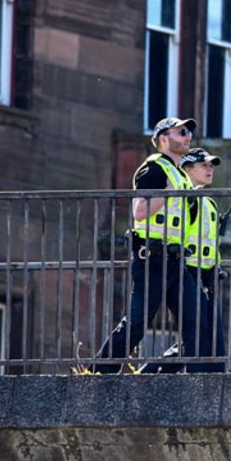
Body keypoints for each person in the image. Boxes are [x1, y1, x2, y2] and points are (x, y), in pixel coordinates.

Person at [92, 116, 202, 372]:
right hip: (152, 258)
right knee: (138, 322)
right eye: (182, 132)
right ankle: (98, 372)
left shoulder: (181, 176)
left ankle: (154, 372)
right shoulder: (154, 168)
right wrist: (165, 195)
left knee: (197, 324)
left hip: (176, 261)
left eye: (189, 133)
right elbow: (139, 211)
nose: (188, 137)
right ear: (164, 139)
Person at [180, 147, 227, 370]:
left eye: (211, 166)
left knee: (213, 336)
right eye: (204, 165)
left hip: (206, 274)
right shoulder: (184, 198)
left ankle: (215, 378)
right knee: (197, 333)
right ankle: (196, 379)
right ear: (188, 169)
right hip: (186, 271)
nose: (210, 169)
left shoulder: (207, 201)